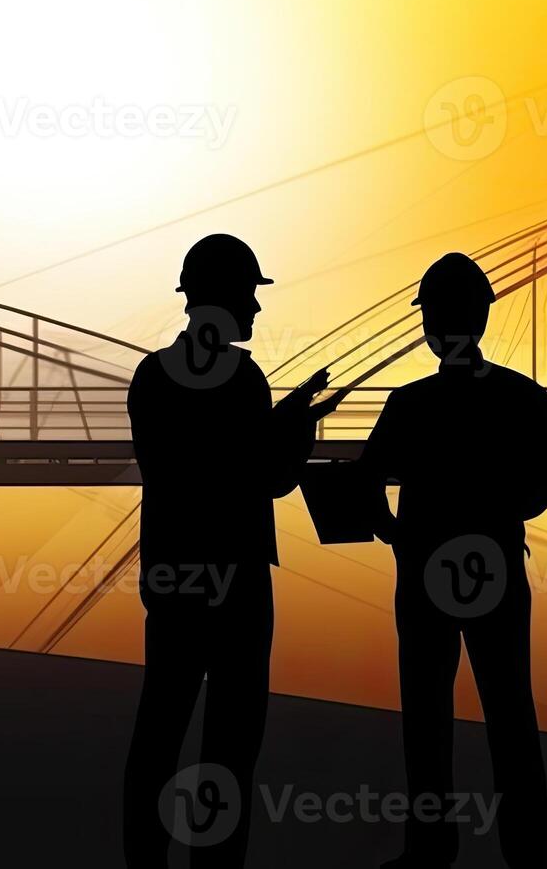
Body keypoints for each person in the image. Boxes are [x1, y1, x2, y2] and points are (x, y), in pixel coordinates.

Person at [123, 234, 342, 868]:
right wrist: (296, 427)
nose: (256, 308)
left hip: (171, 575)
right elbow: (262, 477)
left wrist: (281, 421)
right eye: (249, 293)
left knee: (159, 731)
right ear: (220, 297)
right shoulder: (244, 380)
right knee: (230, 745)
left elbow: (182, 469)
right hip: (239, 581)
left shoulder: (151, 377)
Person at [359, 253, 547, 869]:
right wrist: (501, 515)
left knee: (426, 714)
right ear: (482, 317)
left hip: (424, 576)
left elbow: (368, 482)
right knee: (510, 710)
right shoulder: (523, 397)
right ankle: (530, 852)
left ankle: (429, 847)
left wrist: (395, 531)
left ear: (431, 325)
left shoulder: (408, 404)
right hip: (496, 570)